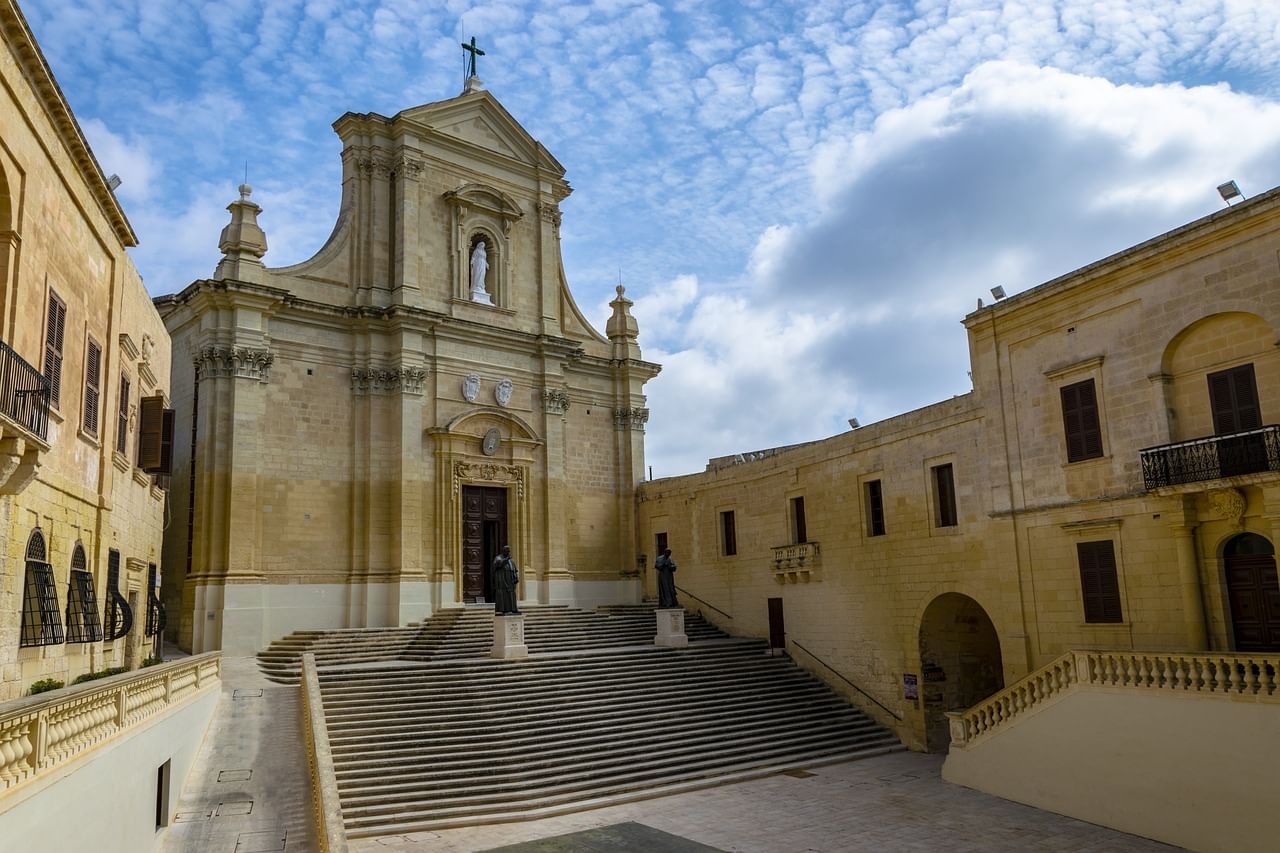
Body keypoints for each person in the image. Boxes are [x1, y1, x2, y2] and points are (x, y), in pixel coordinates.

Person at [492, 545, 520, 614]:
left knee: (512, 594)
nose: (508, 552)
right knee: (504, 594)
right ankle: (505, 609)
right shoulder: (498, 558)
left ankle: (513, 608)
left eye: (509, 551)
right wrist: (506, 559)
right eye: (507, 551)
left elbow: (514, 570)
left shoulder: (511, 560)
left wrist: (516, 577)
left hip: (511, 580)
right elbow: (498, 564)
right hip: (503, 580)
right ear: (503, 551)